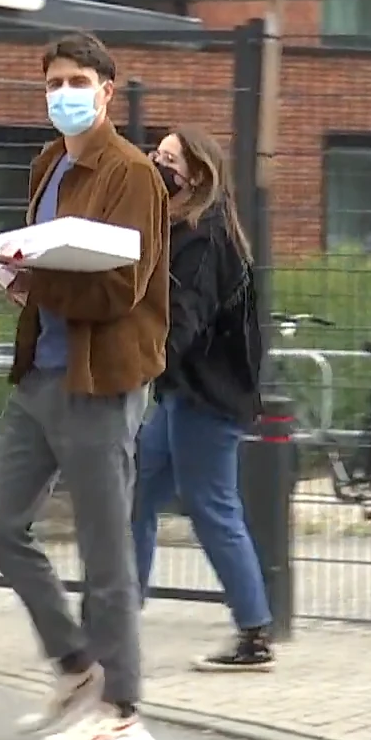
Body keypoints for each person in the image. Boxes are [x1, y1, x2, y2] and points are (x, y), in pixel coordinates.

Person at [0, 32, 170, 740]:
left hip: (101, 380)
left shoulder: (132, 175)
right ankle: (76, 664)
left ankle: (121, 708)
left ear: (108, 91)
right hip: (40, 376)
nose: (64, 93)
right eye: (53, 80)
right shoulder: (49, 161)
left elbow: (122, 286)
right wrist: (0, 270)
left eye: (78, 79)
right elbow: (45, 267)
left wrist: (22, 271)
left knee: (105, 548)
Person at [133, 126, 273, 671]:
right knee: (137, 496)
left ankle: (255, 633)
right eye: (156, 154)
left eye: (169, 158)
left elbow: (183, 318)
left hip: (207, 397)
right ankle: (117, 613)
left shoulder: (204, 238)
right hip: (184, 395)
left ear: (196, 174)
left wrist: (138, 362)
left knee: (213, 508)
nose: (157, 163)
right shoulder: (184, 230)